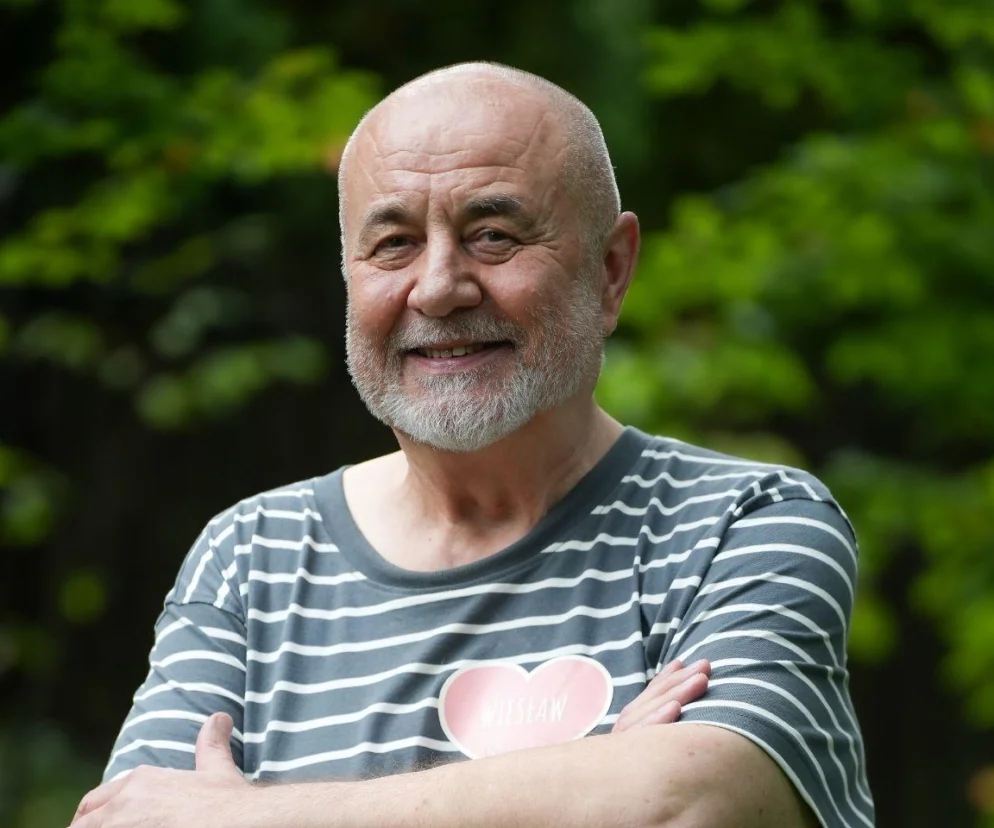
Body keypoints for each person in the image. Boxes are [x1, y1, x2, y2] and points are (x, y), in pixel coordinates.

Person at [72, 62, 874, 828]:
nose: (438, 288)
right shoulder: (252, 560)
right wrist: (590, 785)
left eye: (492, 235)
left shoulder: (743, 525)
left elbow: (690, 805)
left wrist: (251, 813)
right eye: (393, 243)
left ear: (610, 271)